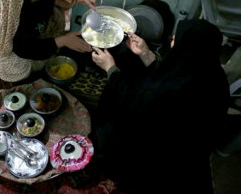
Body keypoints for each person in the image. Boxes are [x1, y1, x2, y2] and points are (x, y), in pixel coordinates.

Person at [90, 19, 230, 193]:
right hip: (192, 150)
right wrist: (146, 54)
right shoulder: (214, 75)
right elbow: (173, 74)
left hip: (160, 158)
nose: (172, 41)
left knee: (109, 128)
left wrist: (110, 68)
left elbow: (132, 99)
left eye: (174, 39)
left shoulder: (163, 92)